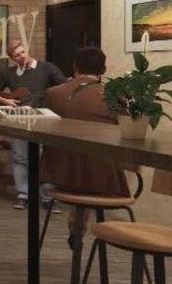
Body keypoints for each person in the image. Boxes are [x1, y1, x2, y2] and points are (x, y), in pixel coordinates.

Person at [0, 41, 66, 210]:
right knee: (20, 157)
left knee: (44, 158)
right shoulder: (8, 73)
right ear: (12, 58)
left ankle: (47, 197)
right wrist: (5, 100)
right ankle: (23, 194)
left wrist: (48, 96)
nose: (22, 56)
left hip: (42, 120)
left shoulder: (47, 68)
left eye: (23, 52)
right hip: (19, 120)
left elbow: (64, 86)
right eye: (17, 55)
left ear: (26, 50)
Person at [41, 47, 129, 198]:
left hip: (59, 174)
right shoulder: (114, 96)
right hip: (101, 177)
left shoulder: (53, 94)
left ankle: (76, 220)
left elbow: (44, 132)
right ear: (103, 69)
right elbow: (124, 135)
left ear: (75, 67)